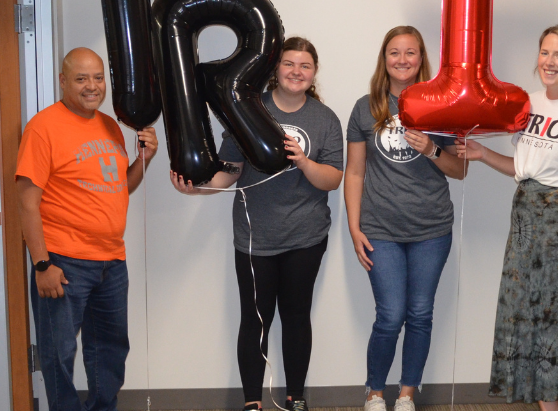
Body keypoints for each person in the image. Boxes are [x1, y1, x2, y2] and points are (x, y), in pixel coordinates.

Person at [171, 37, 343, 411]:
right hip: (253, 236)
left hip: (305, 235)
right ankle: (252, 403)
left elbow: (332, 179)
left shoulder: (324, 118)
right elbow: (229, 172)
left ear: (314, 73)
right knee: (255, 320)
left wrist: (302, 161)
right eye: (288, 64)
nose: (296, 72)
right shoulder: (247, 109)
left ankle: (296, 399)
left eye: (305, 66)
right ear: (274, 69)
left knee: (296, 317)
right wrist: (196, 188)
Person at [456, 22, 558, 411]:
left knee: (556, 321)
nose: (549, 62)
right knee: (524, 314)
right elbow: (524, 167)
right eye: (545, 53)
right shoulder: (527, 103)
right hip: (523, 220)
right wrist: (483, 155)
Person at [16, 47, 158, 411]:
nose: (92, 86)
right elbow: (27, 203)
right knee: (58, 354)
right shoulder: (42, 128)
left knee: (110, 350)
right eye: (81, 79)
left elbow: (120, 187)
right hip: (64, 262)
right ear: (63, 81)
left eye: (97, 78)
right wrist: (42, 264)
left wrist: (145, 160)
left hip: (112, 260)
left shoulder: (110, 126)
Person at [345, 25, 467, 411]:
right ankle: (375, 392)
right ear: (384, 59)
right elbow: (355, 173)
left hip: (431, 229)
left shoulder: (441, 104)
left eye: (410, 53)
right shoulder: (366, 107)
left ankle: (408, 393)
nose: (402, 60)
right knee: (390, 315)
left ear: (420, 59)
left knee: (419, 313)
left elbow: (460, 170)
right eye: (394, 52)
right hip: (380, 229)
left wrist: (432, 148)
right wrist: (353, 227)